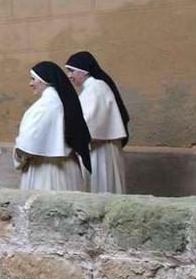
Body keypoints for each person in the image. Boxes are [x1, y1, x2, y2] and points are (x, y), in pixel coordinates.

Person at [14, 61, 91, 191]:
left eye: (33, 79)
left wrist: (18, 156)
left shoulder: (45, 106)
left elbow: (27, 146)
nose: (30, 83)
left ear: (44, 81)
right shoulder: (62, 101)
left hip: (46, 172)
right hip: (68, 169)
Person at [65, 51, 129, 194]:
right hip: (96, 148)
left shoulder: (96, 88)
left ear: (84, 71)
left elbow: (88, 123)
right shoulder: (92, 88)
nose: (69, 75)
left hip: (99, 150)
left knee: (100, 186)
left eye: (71, 71)